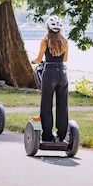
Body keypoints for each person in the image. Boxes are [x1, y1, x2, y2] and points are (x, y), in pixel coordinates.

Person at [31, 15, 69, 143]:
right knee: (62, 105)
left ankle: (47, 135)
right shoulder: (64, 41)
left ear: (48, 27)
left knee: (46, 105)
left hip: (50, 72)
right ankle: (61, 136)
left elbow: (39, 57)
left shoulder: (45, 40)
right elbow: (65, 59)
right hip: (63, 73)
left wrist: (34, 61)